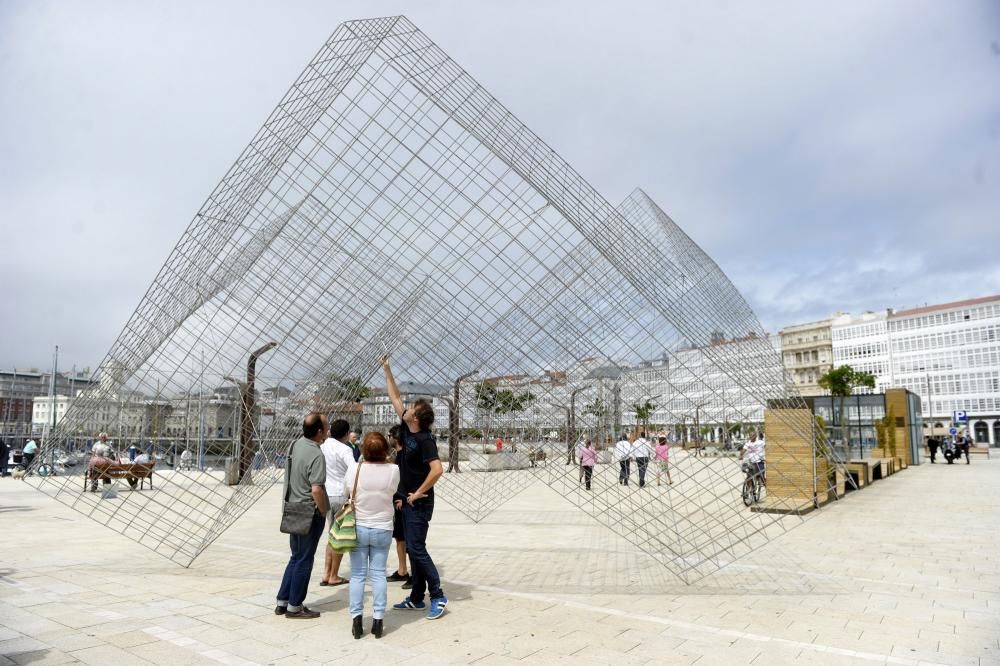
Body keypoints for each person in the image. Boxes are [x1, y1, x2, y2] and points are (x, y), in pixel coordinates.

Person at [381, 354, 447, 620]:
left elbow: (437, 470)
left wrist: (419, 492)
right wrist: (387, 371)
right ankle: (417, 597)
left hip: (420, 503)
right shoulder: (407, 431)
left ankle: (438, 595)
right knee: (412, 548)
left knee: (417, 549)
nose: (405, 407)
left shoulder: (425, 439)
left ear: (417, 417)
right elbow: (395, 398)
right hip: (407, 502)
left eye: (411, 407)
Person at [345, 431, 400, 639]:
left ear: (364, 450)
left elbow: (347, 490)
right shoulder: (394, 470)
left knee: (358, 575)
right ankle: (378, 619)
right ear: (385, 449)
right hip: (383, 526)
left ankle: (357, 620)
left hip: (358, 526)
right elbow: (392, 491)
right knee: (378, 574)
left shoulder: (354, 468)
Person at [274, 412, 329, 620]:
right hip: (309, 512)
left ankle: (283, 600)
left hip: (292, 508)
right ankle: (295, 606)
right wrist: (323, 510)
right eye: (326, 426)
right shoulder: (316, 454)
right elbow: (316, 489)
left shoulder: (294, 445)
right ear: (319, 432)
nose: (328, 429)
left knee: (295, 556)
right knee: (305, 560)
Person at [320, 419, 355, 587]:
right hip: (340, 495)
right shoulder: (345, 449)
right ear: (347, 434)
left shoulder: (322, 446)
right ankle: (333, 575)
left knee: (331, 535)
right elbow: (353, 471)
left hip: (326, 495)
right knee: (339, 538)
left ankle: (326, 573)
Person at [386, 426, 412, 587]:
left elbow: (408, 480)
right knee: (400, 537)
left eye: (389, 435)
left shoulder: (407, 456)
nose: (387, 438)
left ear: (395, 437)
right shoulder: (399, 455)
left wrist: (404, 499)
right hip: (398, 503)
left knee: (411, 541)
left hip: (405, 503)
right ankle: (402, 570)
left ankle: (415, 575)